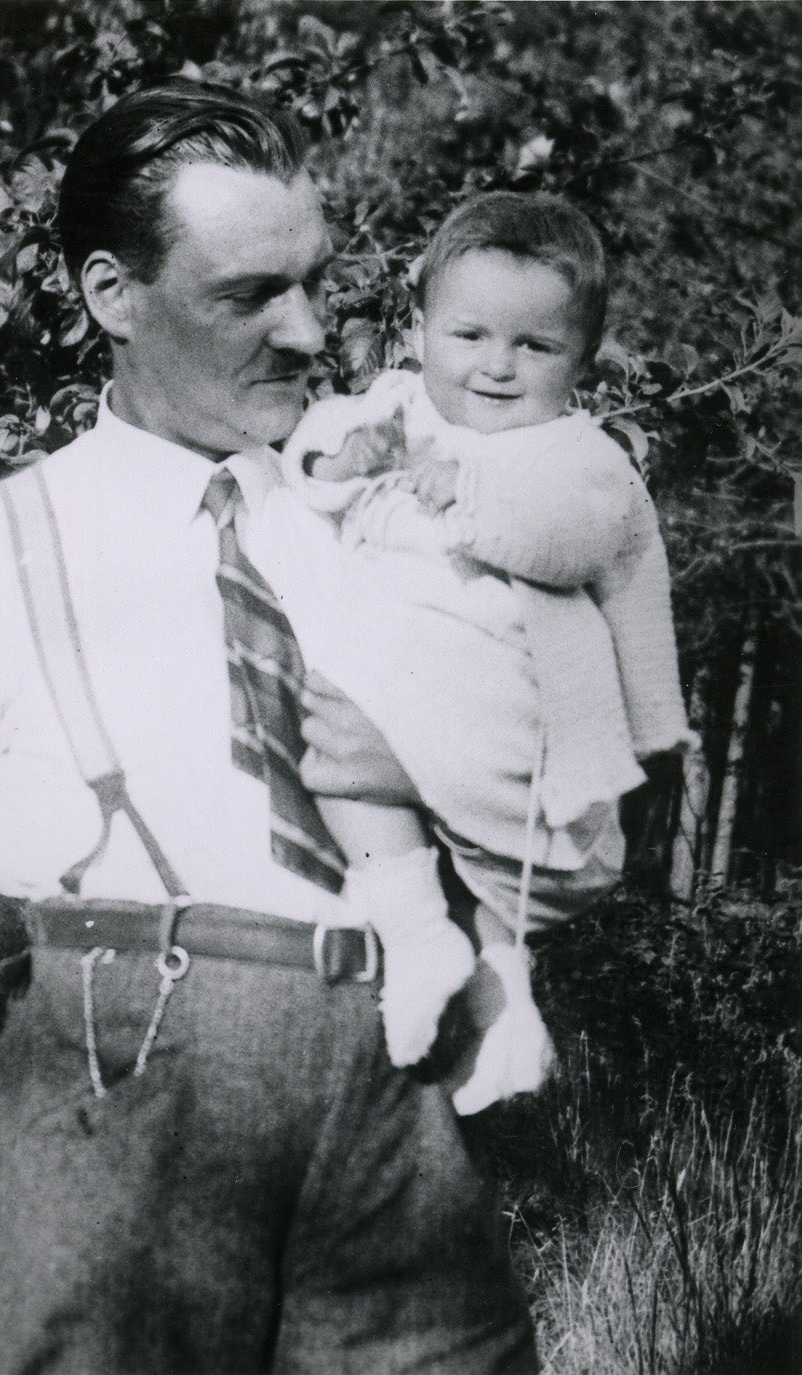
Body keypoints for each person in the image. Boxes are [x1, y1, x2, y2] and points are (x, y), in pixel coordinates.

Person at [0, 82, 539, 1374]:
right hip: (120, 1091)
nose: (306, 330)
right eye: (249, 294)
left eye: (315, 282)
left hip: (393, 1104)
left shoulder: (375, 525)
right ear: (110, 295)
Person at [253, 191, 696, 1113]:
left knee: (367, 763)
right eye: (470, 337)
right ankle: (478, 986)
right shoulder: (397, 404)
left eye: (533, 348)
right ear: (417, 330)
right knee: (345, 757)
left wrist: (470, 496)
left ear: (579, 361)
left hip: (500, 693)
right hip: (396, 679)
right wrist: (346, 457)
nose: (496, 368)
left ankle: (431, 947)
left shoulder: (580, 453)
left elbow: (573, 535)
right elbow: (312, 462)